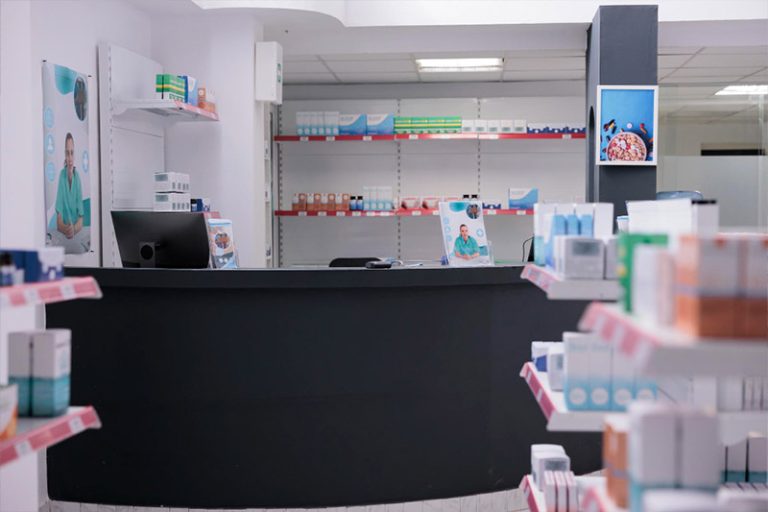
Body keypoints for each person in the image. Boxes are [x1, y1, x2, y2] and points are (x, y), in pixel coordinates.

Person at [55, 133, 84, 239]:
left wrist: (74, 229)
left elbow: (81, 219)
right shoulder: (61, 177)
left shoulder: (78, 179)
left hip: (76, 234)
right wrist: (65, 229)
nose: (70, 157)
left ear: (75, 154)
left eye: (72, 153)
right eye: (67, 153)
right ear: (65, 155)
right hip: (64, 235)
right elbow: (58, 221)